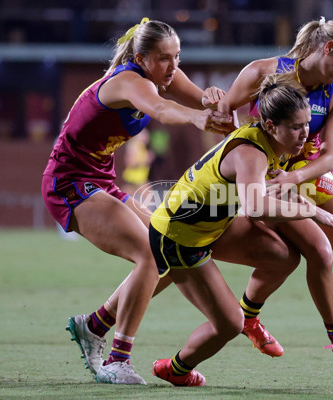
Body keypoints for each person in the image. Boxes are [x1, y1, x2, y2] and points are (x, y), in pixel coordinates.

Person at [41, 18, 233, 384]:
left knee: (165, 242)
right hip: (69, 184)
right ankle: (117, 360)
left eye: (178, 56)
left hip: (99, 179)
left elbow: (203, 99)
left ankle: (94, 326)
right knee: (150, 254)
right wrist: (198, 118)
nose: (173, 66)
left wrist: (214, 98)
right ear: (141, 57)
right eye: (164, 58)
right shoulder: (130, 81)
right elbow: (162, 110)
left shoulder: (163, 73)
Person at [148, 73, 333, 387]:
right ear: (271, 126)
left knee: (283, 257)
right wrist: (310, 210)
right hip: (179, 236)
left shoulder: (263, 140)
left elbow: (255, 192)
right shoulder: (252, 151)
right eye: (296, 127)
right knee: (228, 325)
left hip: (211, 224)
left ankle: (249, 318)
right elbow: (255, 206)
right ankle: (176, 368)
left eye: (307, 124)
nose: (305, 133)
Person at [217, 17, 333, 390]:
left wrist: (294, 176)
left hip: (306, 177)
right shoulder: (263, 71)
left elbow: (330, 157)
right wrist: (254, 154)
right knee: (317, 252)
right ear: (328, 49)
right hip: (271, 182)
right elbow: (225, 111)